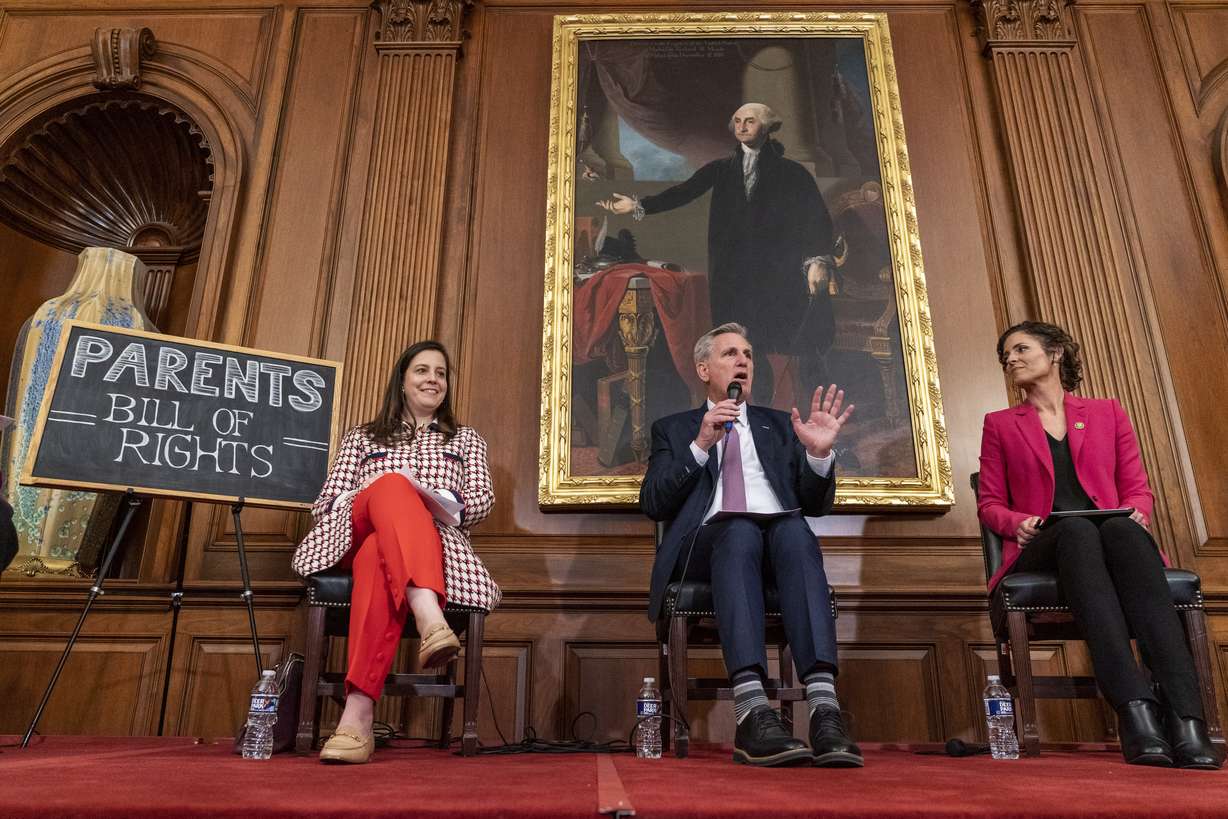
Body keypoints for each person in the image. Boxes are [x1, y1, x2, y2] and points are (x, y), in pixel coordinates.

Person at [977, 320, 1220, 770]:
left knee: (1119, 529)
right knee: (1075, 530)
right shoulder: (1000, 425)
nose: (1010, 359)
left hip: (1110, 537)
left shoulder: (1108, 412)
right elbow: (990, 503)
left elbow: (1137, 488)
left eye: (1020, 348)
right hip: (1045, 540)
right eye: (1005, 355)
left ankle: (1187, 720)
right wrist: (1019, 523)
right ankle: (1135, 712)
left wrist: (1137, 511)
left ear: (1056, 354)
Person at [640, 322, 860, 767]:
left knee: (796, 530)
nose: (743, 360)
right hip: (705, 551)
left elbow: (816, 505)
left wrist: (818, 456)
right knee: (738, 530)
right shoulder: (675, 428)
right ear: (704, 369)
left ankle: (824, 711)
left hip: (779, 546)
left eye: (748, 354)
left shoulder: (781, 426)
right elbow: (654, 502)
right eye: (730, 354)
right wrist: (701, 443)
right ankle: (752, 712)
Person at [291, 340, 498, 764]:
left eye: (440, 373)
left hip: (432, 544)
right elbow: (326, 503)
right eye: (422, 371)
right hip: (353, 528)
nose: (432, 380)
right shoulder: (363, 437)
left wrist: (438, 498)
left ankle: (357, 716)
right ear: (402, 382)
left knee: (376, 554)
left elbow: (481, 503)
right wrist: (381, 495)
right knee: (390, 486)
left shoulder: (466, 439)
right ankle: (427, 613)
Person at [598, 103, 836, 403]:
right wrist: (638, 205)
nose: (742, 126)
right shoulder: (722, 169)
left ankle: (812, 414)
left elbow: (815, 217)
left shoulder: (793, 172)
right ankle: (753, 412)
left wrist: (817, 261)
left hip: (777, 274)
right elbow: (683, 192)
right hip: (734, 275)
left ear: (767, 127)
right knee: (744, 345)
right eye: (737, 121)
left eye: (750, 121)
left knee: (794, 345)